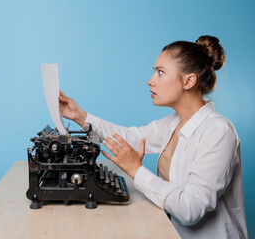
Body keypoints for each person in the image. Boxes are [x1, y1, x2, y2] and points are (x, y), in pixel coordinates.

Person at [59, 35, 248, 238]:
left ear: (189, 81)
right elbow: (130, 137)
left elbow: (190, 209)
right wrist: (81, 116)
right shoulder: (173, 122)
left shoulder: (218, 132)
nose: (150, 81)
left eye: (160, 73)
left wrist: (135, 169)